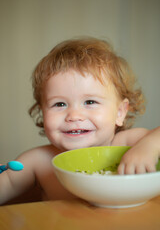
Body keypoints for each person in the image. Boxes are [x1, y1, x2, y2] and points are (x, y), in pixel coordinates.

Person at [0, 37, 160, 205]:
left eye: (90, 102)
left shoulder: (127, 144)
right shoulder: (37, 162)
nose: (74, 116)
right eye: (59, 104)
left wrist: (148, 147)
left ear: (120, 112)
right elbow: (6, 185)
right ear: (42, 112)